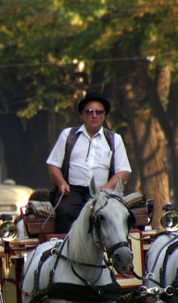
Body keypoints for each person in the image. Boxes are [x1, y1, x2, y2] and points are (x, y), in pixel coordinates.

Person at [46, 92, 132, 234]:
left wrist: (106, 189)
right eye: (90, 112)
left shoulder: (114, 139)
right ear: (83, 114)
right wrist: (61, 183)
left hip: (102, 192)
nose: (94, 116)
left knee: (112, 215)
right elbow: (53, 165)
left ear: (104, 116)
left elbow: (123, 171)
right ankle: (67, 249)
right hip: (72, 191)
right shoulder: (68, 135)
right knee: (65, 211)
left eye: (99, 112)